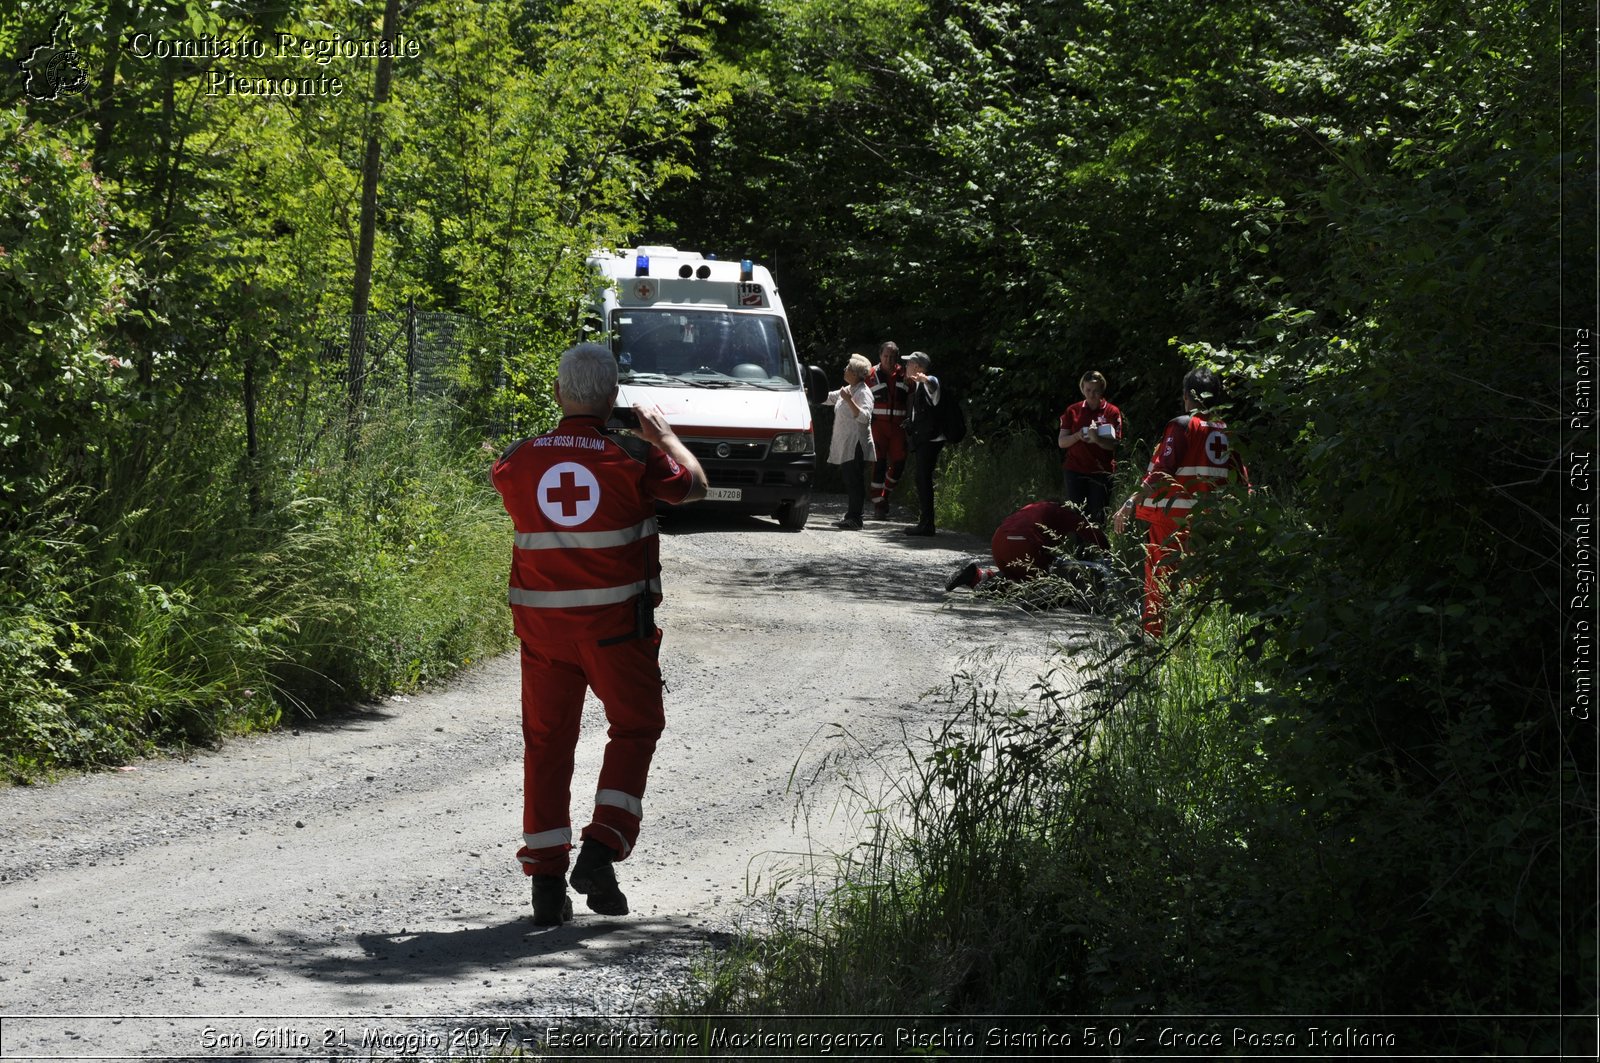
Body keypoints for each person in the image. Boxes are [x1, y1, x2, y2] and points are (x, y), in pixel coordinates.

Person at [491, 343, 708, 925]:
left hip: (543, 635)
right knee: (636, 728)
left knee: (547, 744)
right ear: (613, 398)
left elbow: (508, 483)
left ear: (559, 394)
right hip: (617, 632)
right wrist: (664, 437)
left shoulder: (518, 459)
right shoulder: (634, 456)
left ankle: (545, 886)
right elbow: (695, 487)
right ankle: (602, 847)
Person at [1112, 366, 1248, 638]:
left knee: (1160, 578)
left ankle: (1153, 638)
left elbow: (1161, 471)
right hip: (1211, 521)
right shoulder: (1227, 431)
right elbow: (1242, 482)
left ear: (1188, 395)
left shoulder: (1183, 425)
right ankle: (1194, 639)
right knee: (1200, 582)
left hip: (1173, 521)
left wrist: (1130, 503)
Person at [945, 500, 1111, 592]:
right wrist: (1110, 556)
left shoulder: (1033, 507)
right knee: (1046, 588)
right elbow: (1092, 531)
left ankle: (977, 577)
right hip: (1023, 544)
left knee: (1014, 574)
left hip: (998, 542)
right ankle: (1005, 589)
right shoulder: (1064, 512)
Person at [1057, 370, 1123, 529]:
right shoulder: (1073, 411)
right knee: (1077, 514)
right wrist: (1077, 436)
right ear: (1082, 389)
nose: (1092, 395)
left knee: (1099, 515)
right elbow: (1061, 442)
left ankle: (1100, 551)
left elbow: (1115, 445)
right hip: (1075, 469)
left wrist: (1097, 439)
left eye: (1096, 391)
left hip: (1101, 472)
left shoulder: (1112, 411)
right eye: (1088, 390)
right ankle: (1080, 553)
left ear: (1102, 390)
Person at [825, 353, 877, 529]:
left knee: (854, 480)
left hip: (857, 445)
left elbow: (865, 417)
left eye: (848, 368)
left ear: (855, 374)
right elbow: (829, 397)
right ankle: (851, 516)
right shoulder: (849, 389)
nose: (844, 369)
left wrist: (849, 401)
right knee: (850, 479)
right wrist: (807, 393)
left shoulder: (863, 392)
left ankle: (856, 518)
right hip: (848, 444)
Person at [901, 350, 945, 536]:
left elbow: (934, 385)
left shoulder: (928, 382)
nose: (905, 367)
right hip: (924, 439)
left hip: (930, 440)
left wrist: (925, 379)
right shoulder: (918, 386)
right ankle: (925, 522)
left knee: (923, 479)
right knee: (921, 479)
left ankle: (927, 524)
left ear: (918, 367)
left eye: (908, 363)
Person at [865, 341, 910, 519]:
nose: (888, 359)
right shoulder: (869, 374)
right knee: (879, 464)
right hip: (878, 426)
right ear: (880, 355)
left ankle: (885, 494)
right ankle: (878, 503)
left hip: (898, 427)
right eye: (885, 356)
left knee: (899, 462)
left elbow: (914, 396)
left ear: (896, 357)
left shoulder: (905, 374)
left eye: (892, 356)